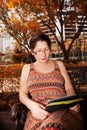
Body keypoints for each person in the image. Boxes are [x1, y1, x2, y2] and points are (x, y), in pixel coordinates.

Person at [19, 33, 84, 130]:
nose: (43, 54)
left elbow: (69, 88)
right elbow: (22, 94)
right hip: (38, 112)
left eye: (46, 49)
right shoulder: (27, 68)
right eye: (39, 51)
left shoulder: (59, 64)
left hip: (63, 110)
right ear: (32, 52)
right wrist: (32, 106)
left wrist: (73, 102)